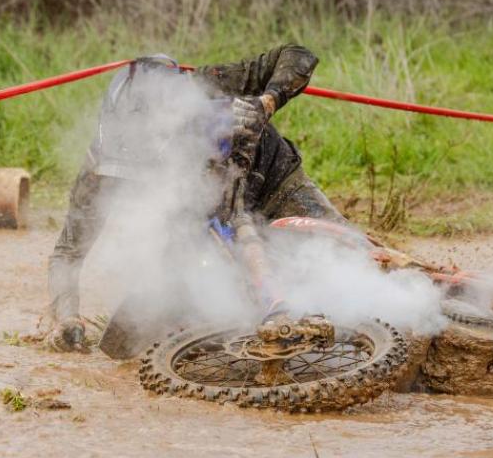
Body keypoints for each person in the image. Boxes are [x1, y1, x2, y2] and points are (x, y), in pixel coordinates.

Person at [47, 44, 344, 352]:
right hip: (207, 215)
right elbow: (67, 253)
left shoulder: (205, 83)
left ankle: (389, 301)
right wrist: (67, 317)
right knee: (198, 282)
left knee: (344, 256)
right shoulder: (99, 167)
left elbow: (298, 56)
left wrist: (266, 103)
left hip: (273, 178)